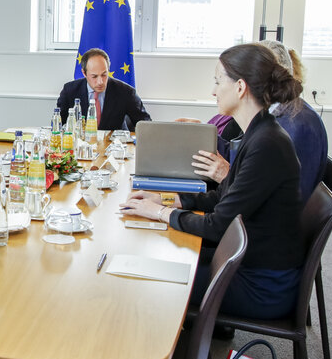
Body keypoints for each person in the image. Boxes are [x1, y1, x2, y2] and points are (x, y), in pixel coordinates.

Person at [121, 43, 305, 320]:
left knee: (145, 278)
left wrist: (159, 213)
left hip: (260, 285)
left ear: (240, 87)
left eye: (219, 81)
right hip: (245, 262)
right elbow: (223, 198)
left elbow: (217, 226)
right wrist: (167, 200)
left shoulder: (267, 144)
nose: (213, 90)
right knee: (159, 259)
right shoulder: (259, 132)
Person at [191, 40, 328, 201]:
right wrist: (202, 135)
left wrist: (228, 175)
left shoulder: (298, 125)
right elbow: (245, 155)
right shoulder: (270, 114)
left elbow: (285, 200)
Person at [56, 48, 150, 130]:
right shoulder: (69, 91)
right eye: (94, 76)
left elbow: (146, 124)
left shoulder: (126, 92)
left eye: (104, 75)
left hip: (115, 146)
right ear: (84, 73)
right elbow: (58, 124)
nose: (100, 81)